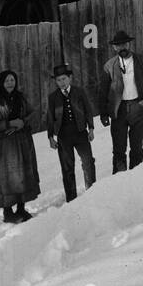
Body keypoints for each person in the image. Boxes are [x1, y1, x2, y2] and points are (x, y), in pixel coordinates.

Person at [97, 30, 143, 174]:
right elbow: (103, 91)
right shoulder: (109, 66)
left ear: (129, 44)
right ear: (114, 48)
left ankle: (136, 177)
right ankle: (119, 180)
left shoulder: (142, 60)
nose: (121, 48)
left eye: (124, 44)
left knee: (137, 146)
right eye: (118, 46)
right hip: (118, 110)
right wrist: (103, 114)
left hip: (137, 107)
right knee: (119, 149)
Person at [0, 69, 40, 224]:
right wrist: (9, 123)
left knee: (23, 174)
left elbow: (32, 113)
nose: (10, 83)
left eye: (12, 80)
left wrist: (23, 122)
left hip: (23, 142)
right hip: (5, 147)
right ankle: (8, 212)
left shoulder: (21, 98)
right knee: (8, 178)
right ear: (1, 83)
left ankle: (21, 208)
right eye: (7, 81)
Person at [46, 64, 96, 202]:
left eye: (64, 79)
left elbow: (88, 110)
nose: (61, 83)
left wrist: (91, 128)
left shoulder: (79, 92)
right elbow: (50, 117)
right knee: (67, 167)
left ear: (70, 78)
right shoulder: (53, 97)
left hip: (80, 133)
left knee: (88, 162)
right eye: (58, 80)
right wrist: (50, 137)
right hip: (63, 136)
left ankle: (92, 192)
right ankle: (71, 199)